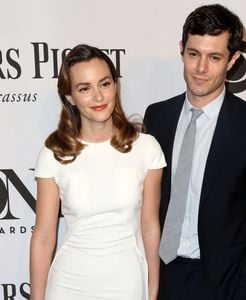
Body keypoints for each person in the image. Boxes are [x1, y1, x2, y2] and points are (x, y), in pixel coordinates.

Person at [144, 4, 246, 300]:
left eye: (214, 57)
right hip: (159, 277)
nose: (200, 68)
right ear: (182, 49)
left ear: (233, 60)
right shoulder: (157, 117)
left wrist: (243, 291)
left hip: (223, 285)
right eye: (194, 54)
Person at [30, 44, 166, 300]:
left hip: (127, 281)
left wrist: (153, 287)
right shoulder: (54, 153)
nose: (98, 96)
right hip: (68, 284)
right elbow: (44, 236)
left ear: (115, 86)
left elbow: (149, 226)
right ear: (70, 96)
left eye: (104, 84)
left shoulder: (146, 149)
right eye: (84, 88)